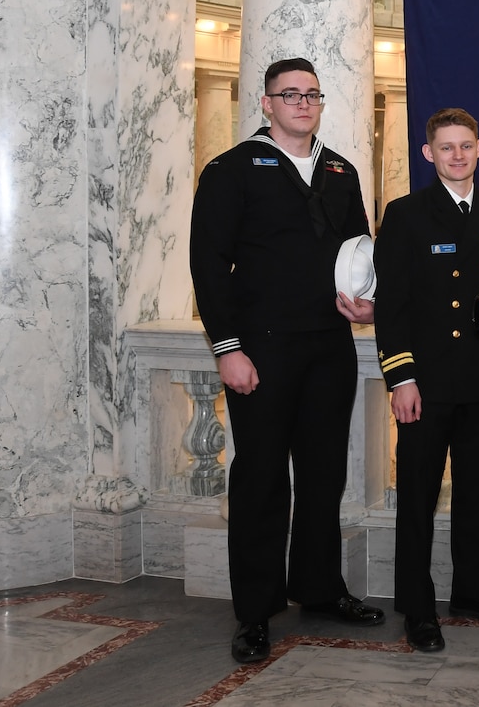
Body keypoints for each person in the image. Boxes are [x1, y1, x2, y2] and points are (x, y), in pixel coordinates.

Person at [189, 58, 384, 664]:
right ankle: (255, 610)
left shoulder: (340, 170)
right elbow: (207, 264)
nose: (302, 103)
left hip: (329, 347)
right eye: (289, 94)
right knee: (262, 480)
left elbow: (358, 252)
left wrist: (366, 303)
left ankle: (320, 588)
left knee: (326, 474)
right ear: (266, 104)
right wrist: (228, 349)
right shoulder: (231, 169)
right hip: (262, 349)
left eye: (311, 95)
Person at [373, 108, 479, 653]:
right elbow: (392, 307)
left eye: (466, 145)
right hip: (427, 384)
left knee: (478, 493)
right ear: (428, 154)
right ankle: (418, 608)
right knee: (416, 498)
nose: (457, 155)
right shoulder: (405, 215)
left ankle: (474, 592)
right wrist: (402, 379)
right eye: (446, 147)